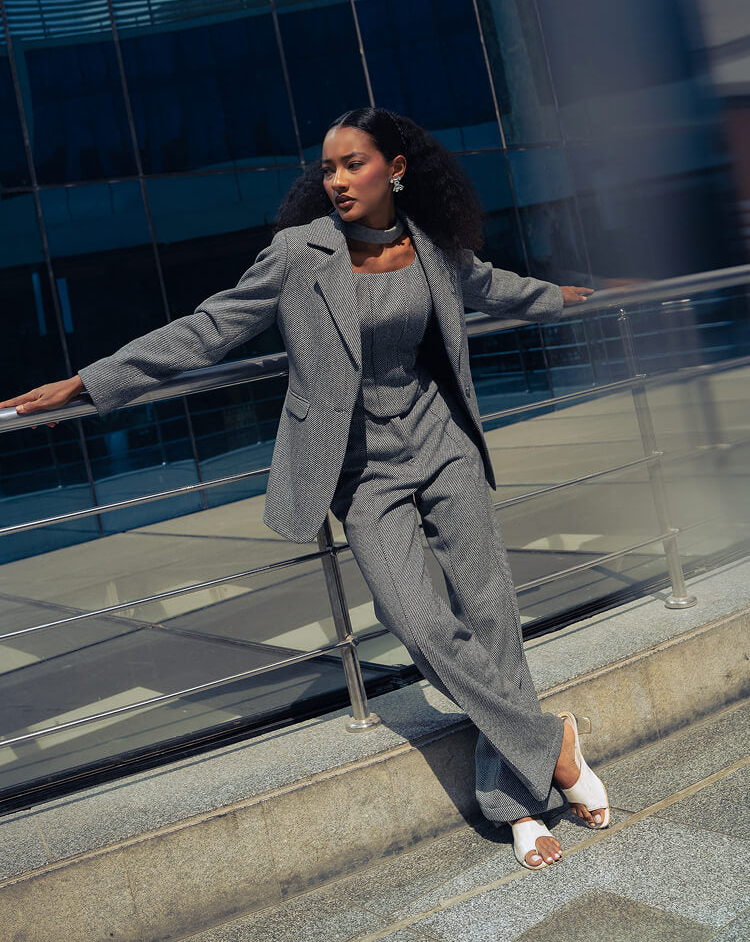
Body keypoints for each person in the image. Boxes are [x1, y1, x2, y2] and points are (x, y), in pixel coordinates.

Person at [0, 107, 608, 870]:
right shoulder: (298, 254)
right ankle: (554, 743)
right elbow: (206, 327)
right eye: (328, 168)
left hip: (444, 446)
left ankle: (515, 804)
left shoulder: (434, 249)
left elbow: (496, 288)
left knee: (490, 617)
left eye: (353, 164)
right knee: (418, 625)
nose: (337, 179)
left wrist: (569, 297)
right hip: (363, 472)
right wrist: (88, 384)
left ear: (395, 169)